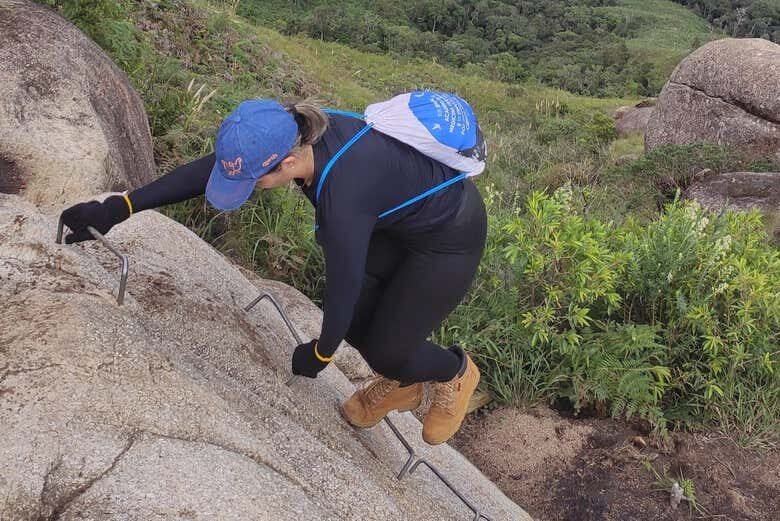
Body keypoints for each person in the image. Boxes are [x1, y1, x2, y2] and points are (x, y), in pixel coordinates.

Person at [60, 98, 487, 445]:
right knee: (358, 324)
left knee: (386, 350)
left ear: (286, 163)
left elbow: (344, 282)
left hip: (449, 238)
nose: (251, 190)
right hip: (393, 220)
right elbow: (209, 170)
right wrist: (119, 206)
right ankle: (405, 383)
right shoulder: (290, 131)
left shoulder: (342, 198)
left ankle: (454, 372)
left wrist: (321, 353)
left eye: (254, 181)